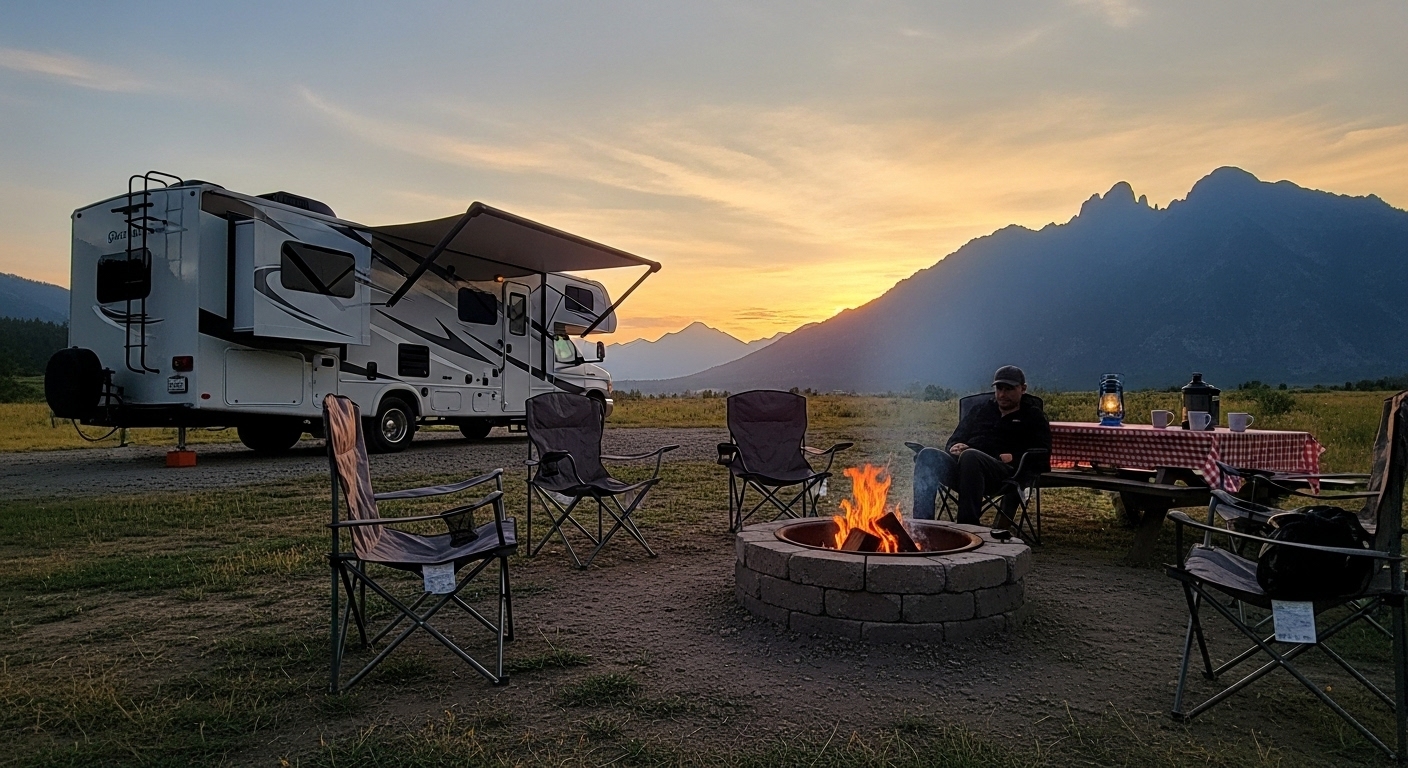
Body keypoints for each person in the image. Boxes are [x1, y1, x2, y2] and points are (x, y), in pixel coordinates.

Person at [912, 365, 1051, 528]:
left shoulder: (1032, 416)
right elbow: (955, 438)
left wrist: (1015, 456)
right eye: (999, 388)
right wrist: (954, 447)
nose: (1002, 394)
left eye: (1009, 389)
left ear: (1023, 389)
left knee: (971, 456)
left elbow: (1043, 453)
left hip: (1003, 475)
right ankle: (922, 526)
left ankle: (967, 526)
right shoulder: (981, 410)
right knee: (927, 454)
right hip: (963, 469)